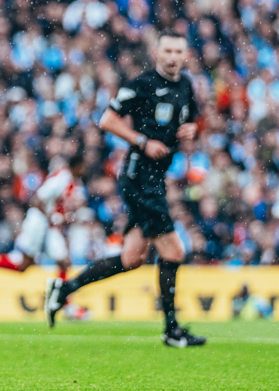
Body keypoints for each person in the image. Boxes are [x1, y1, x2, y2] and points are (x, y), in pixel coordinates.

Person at [44, 32, 207, 347]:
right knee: (174, 251)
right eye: (168, 51)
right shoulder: (143, 84)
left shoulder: (186, 86)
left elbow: (189, 125)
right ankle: (172, 330)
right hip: (138, 176)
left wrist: (193, 130)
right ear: (157, 53)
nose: (173, 57)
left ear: (184, 55)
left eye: (178, 51)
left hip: (155, 178)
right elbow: (107, 119)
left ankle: (63, 290)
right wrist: (142, 141)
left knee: (132, 258)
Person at [0, 154, 83, 278]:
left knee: (64, 261)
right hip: (38, 222)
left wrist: (60, 217)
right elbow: (38, 200)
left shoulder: (69, 179)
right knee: (23, 264)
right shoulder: (61, 178)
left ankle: (60, 295)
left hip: (47, 226)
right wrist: (52, 218)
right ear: (78, 166)